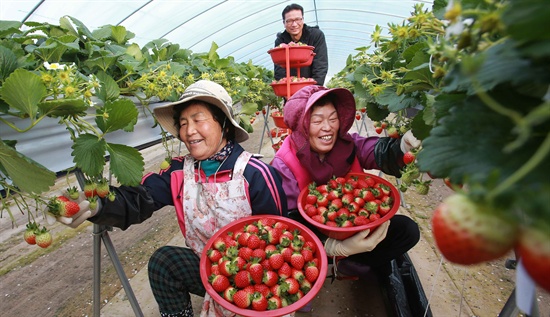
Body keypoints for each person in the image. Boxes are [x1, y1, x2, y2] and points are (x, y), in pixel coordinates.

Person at [51, 80, 288, 317]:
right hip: (208, 267)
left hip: (256, 276)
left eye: (198, 119)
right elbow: (140, 197)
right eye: (183, 123)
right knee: (164, 263)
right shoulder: (179, 172)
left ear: (224, 124)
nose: (189, 130)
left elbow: (279, 242)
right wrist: (97, 205)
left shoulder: (255, 174)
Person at [270, 84, 421, 312]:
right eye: (317, 120)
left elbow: (374, 150)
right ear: (302, 124)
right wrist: (331, 247)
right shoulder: (285, 163)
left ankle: (351, 264)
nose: (327, 127)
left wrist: (400, 148)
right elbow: (288, 226)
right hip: (311, 233)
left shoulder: (346, 144)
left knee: (407, 230)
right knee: (292, 266)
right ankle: (317, 273)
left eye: (333, 118)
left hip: (353, 223)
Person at [274, 3, 329, 86]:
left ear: (303, 19)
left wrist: (313, 90)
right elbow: (279, 70)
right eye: (289, 21)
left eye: (297, 19)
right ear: (284, 23)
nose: (294, 24)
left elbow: (320, 65)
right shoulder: (281, 41)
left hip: (312, 89)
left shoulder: (316, 35)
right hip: (291, 90)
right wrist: (286, 90)